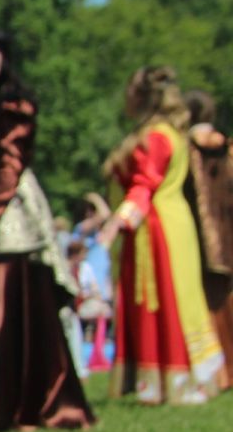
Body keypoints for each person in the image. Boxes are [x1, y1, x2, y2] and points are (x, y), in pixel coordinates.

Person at [0, 27, 93, 431]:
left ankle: (7, 413)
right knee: (2, 312)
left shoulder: (14, 105)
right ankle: (12, 410)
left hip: (11, 216)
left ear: (3, 58)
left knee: (5, 312)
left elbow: (10, 167)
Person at [94, 67, 222, 404]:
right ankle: (179, 380)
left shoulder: (155, 137)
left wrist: (117, 222)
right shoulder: (170, 133)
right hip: (173, 223)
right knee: (179, 298)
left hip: (157, 229)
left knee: (163, 300)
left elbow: (144, 185)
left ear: (140, 97)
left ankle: (171, 381)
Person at [184, 90, 233, 390]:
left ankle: (221, 374)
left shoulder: (185, 150)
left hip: (198, 240)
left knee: (209, 305)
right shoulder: (227, 146)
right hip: (230, 234)